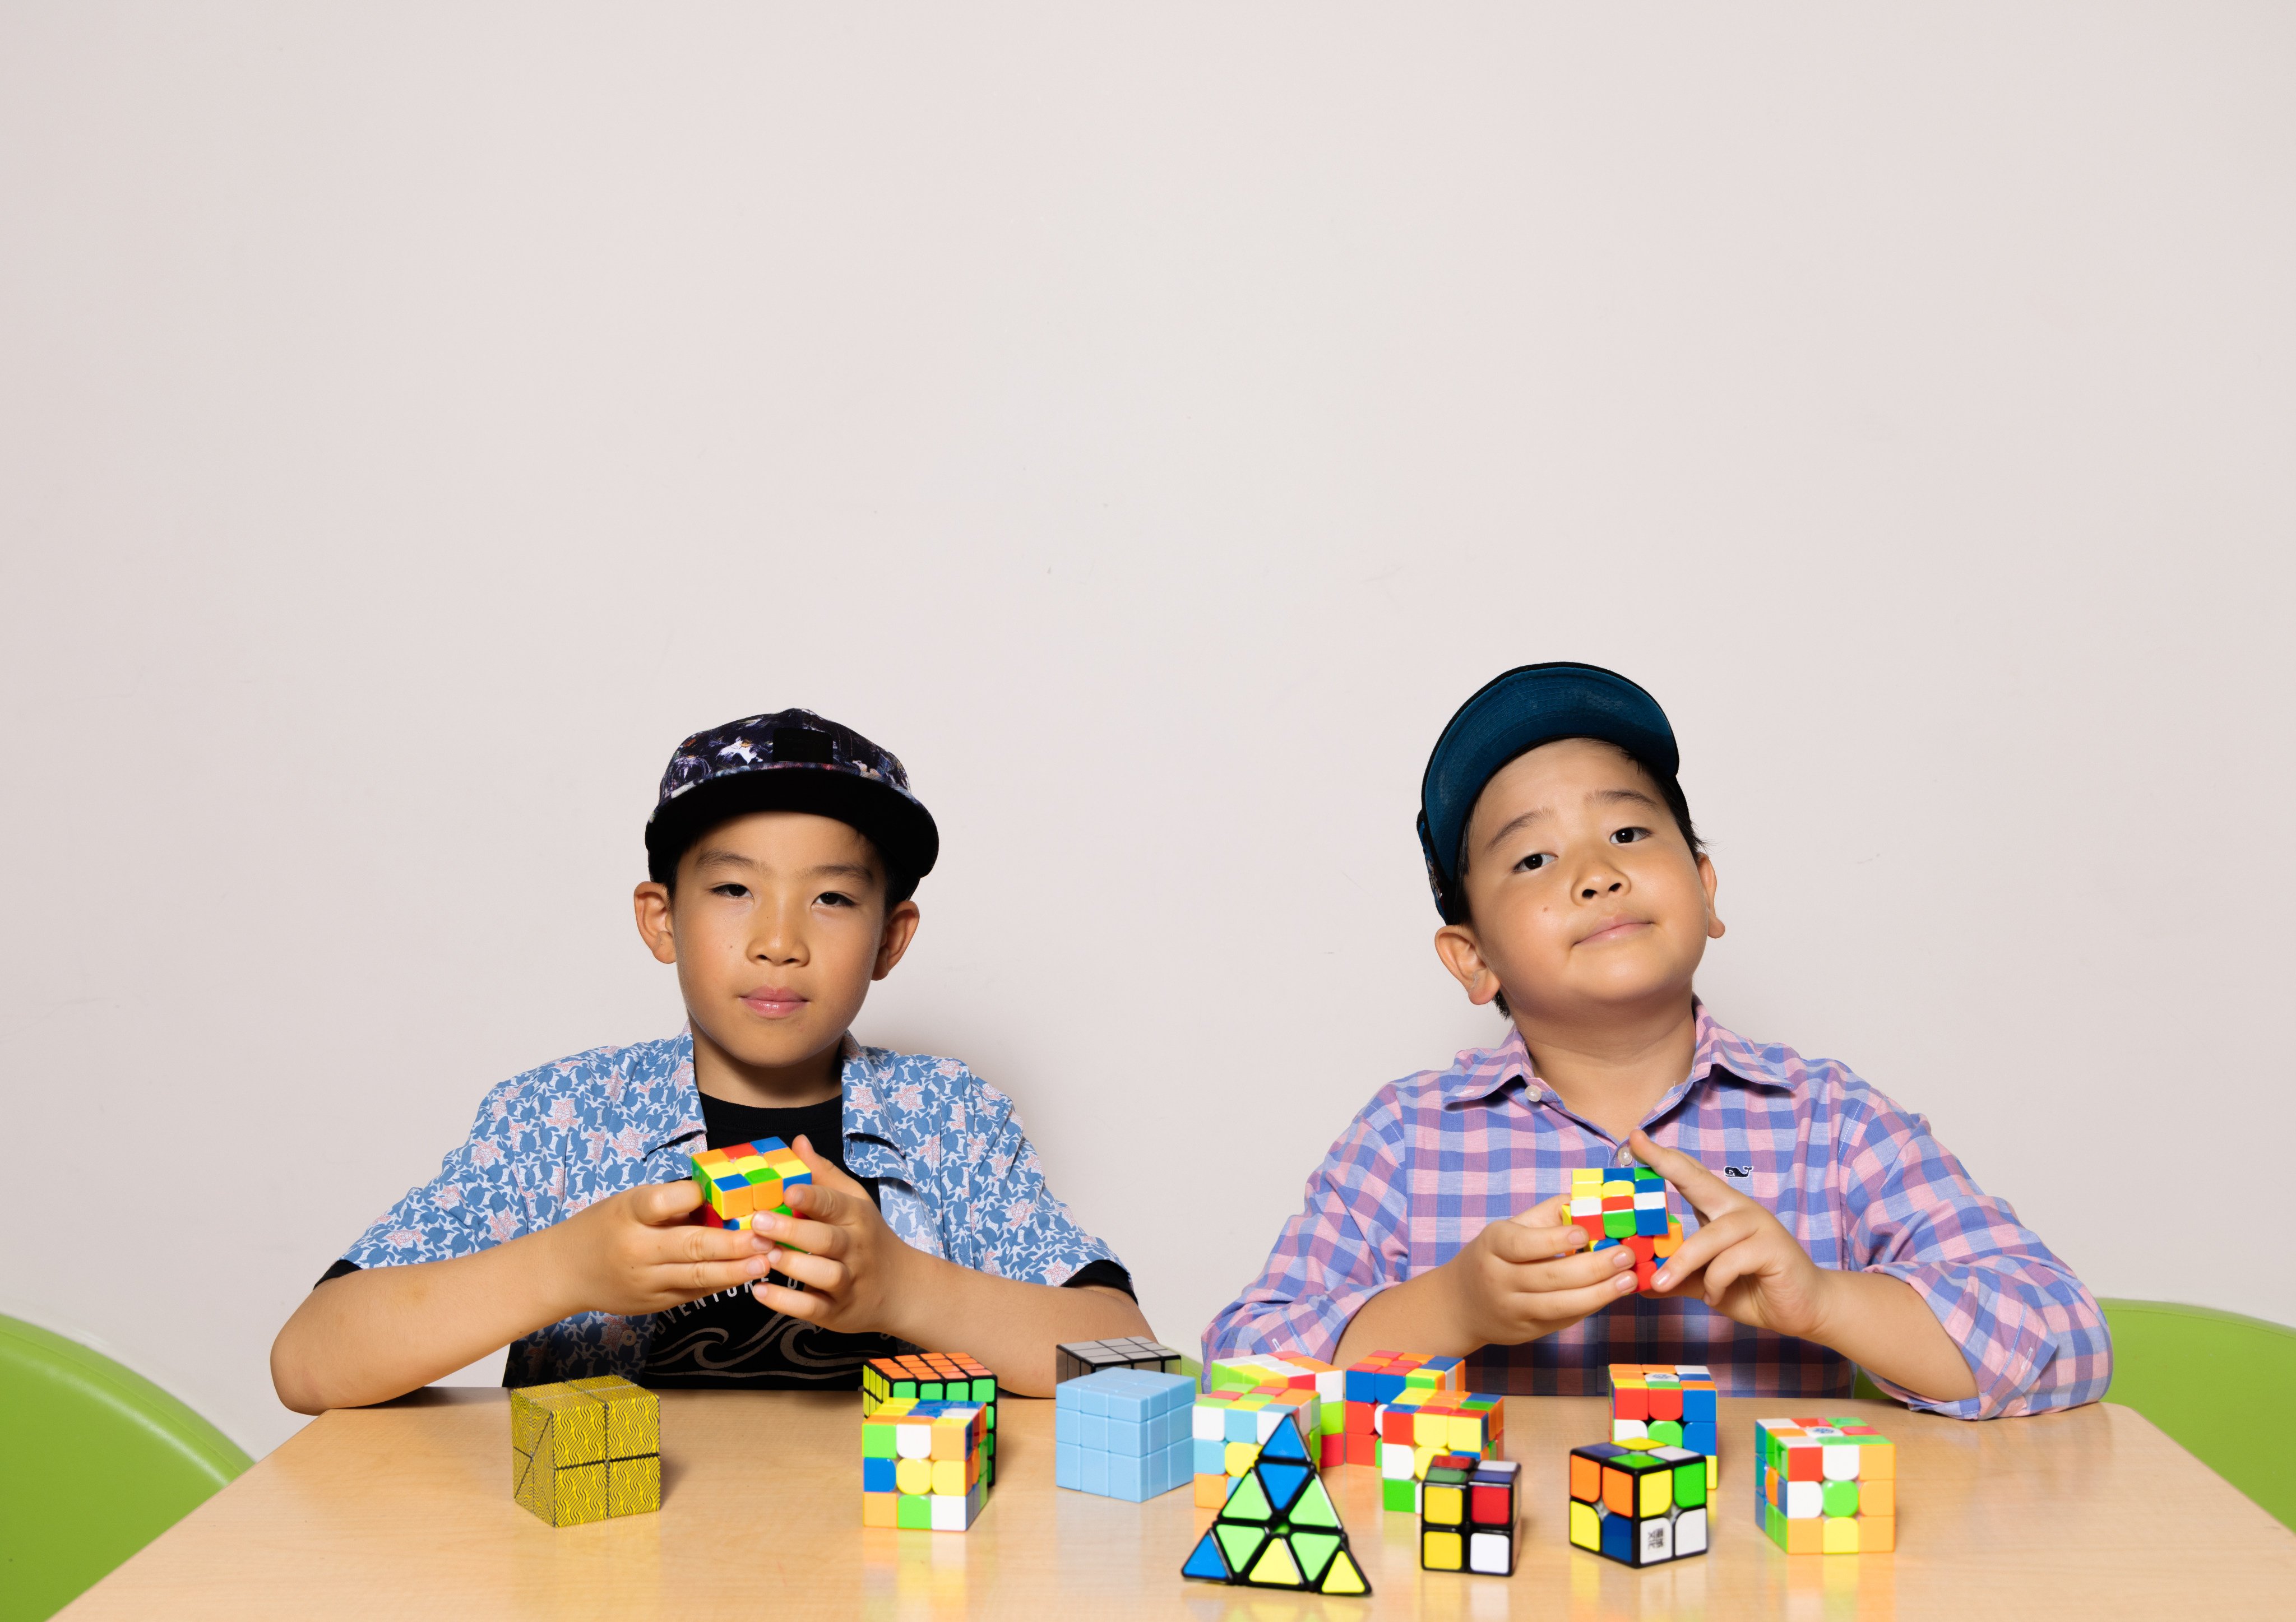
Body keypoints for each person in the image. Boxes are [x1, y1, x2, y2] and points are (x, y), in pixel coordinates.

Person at [1204, 664, 2110, 1415]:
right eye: (1533, 858)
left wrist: (1828, 1301)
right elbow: (1240, 1366)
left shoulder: (1830, 1122)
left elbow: (2065, 1335)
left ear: (1706, 891)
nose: (1597, 873)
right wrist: (1454, 1306)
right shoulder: (1405, 1137)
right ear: (1472, 959)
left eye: (1629, 831)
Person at [272, 708, 1150, 1411]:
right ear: (661, 918)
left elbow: (1130, 1362)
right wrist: (567, 1267)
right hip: (603, 1573)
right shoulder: (560, 1115)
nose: (779, 941)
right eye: (734, 889)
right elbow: (310, 1360)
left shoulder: (950, 1116)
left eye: (834, 898)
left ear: (892, 938)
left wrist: (909, 1288)